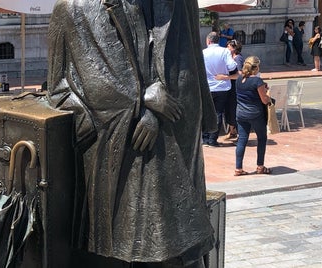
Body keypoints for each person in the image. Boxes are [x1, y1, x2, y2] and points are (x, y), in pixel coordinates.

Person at [47, 1, 216, 267]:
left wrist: (155, 114)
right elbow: (59, 90)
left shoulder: (179, 3)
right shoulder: (72, 9)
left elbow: (189, 65)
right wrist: (139, 101)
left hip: (174, 133)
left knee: (176, 243)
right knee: (137, 246)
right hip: (113, 147)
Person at [234, 56, 272, 176]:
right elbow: (264, 100)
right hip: (255, 113)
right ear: (256, 67)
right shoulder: (257, 81)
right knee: (261, 138)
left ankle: (238, 168)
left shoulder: (239, 79)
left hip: (240, 113)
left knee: (242, 139)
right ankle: (260, 166)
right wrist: (268, 95)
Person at [203, 31, 238, 147]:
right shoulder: (224, 51)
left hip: (208, 87)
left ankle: (205, 138)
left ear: (208, 41)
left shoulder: (203, 53)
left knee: (206, 112)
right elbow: (232, 66)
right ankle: (213, 139)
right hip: (222, 87)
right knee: (218, 113)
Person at [223, 40, 245, 141]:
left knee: (233, 109)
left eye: (229, 47)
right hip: (230, 87)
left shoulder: (238, 58)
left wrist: (226, 77)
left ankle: (237, 133)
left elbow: (239, 73)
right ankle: (232, 131)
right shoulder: (230, 58)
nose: (227, 49)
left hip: (235, 87)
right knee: (229, 109)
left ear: (235, 48)